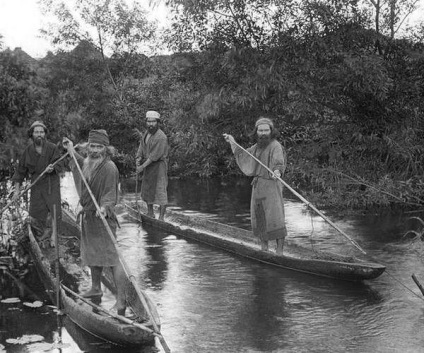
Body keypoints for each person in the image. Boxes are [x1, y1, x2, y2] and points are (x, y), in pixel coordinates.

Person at [63, 130, 126, 315]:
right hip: (90, 217)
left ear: (106, 149)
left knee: (114, 260)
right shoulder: (89, 163)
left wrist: (105, 208)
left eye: (100, 147)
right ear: (87, 146)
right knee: (92, 252)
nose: (95, 150)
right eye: (92, 146)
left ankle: (121, 302)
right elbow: (80, 164)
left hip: (103, 218)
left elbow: (109, 194)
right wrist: (70, 149)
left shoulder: (109, 168)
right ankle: (96, 287)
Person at [223, 117, 287, 254]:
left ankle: (280, 251)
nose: (263, 133)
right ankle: (264, 248)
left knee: (276, 217)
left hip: (271, 186)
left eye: (266, 130)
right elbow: (242, 153)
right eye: (260, 130)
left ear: (271, 131)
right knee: (260, 217)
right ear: (256, 132)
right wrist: (232, 142)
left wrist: (277, 171)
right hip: (258, 187)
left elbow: (278, 163)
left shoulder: (275, 146)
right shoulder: (257, 147)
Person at [12, 120, 64, 241]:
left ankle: (54, 236)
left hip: (51, 184)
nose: (39, 134)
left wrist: (53, 168)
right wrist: (16, 191)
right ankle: (40, 233)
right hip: (36, 185)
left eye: (41, 132)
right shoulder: (28, 151)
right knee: (35, 212)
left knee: (54, 210)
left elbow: (60, 164)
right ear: (32, 134)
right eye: (36, 132)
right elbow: (20, 172)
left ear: (45, 134)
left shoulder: (52, 148)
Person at [136, 110, 169, 220]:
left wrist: (142, 167)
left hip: (159, 166)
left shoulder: (161, 137)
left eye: (153, 121)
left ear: (158, 122)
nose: (150, 124)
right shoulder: (146, 133)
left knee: (160, 190)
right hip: (148, 166)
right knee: (147, 189)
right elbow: (142, 146)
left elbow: (154, 156)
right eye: (149, 121)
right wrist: (138, 157)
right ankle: (150, 213)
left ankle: (161, 218)